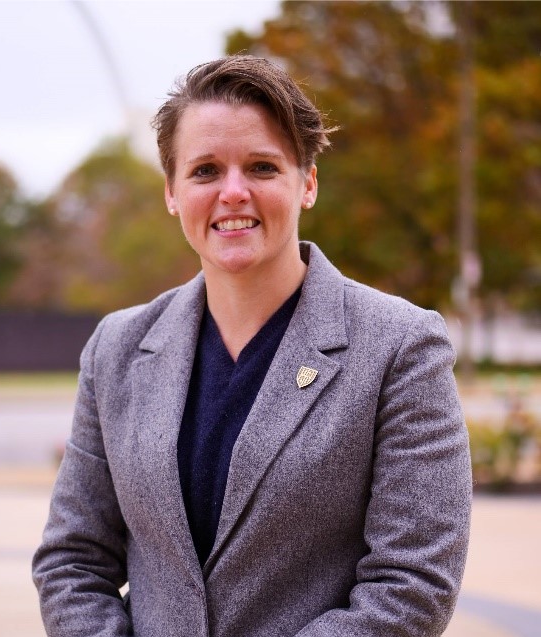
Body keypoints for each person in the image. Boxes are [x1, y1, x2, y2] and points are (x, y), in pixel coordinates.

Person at [33, 55, 472, 637]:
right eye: (206, 170)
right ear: (171, 192)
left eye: (262, 167)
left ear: (307, 182)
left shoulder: (401, 347)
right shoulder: (116, 348)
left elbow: (412, 585)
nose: (233, 192)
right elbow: (73, 562)